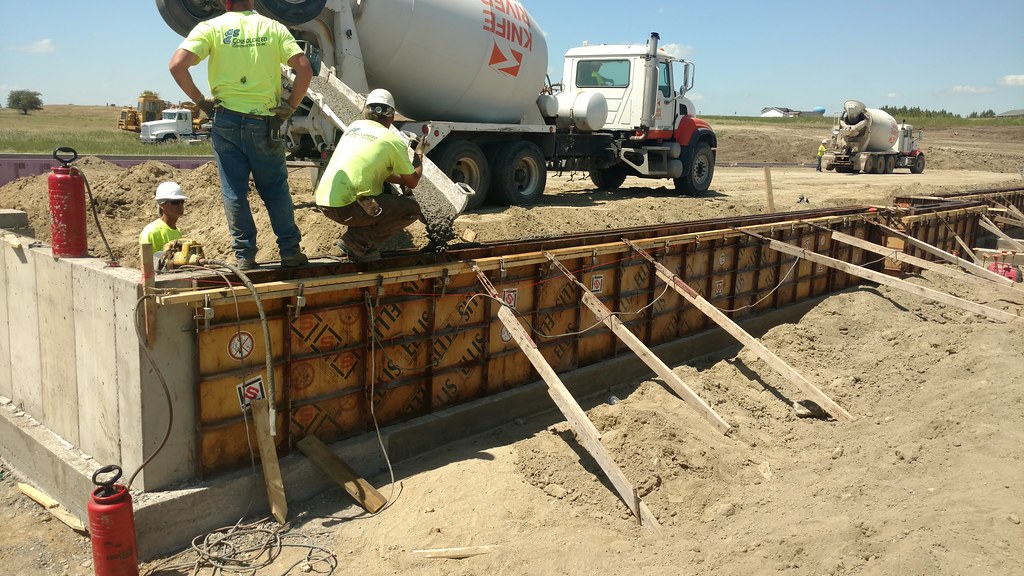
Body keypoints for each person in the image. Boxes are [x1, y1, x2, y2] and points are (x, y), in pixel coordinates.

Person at [168, 0, 312, 269]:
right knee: (276, 190)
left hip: (226, 120)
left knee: (234, 191)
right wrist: (290, 106)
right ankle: (290, 251)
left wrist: (200, 101)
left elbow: (177, 65)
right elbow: (305, 68)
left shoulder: (210, 28)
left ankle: (245, 256)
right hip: (264, 121)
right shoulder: (272, 27)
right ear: (253, 1)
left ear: (225, 2)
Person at [314, 89, 427, 263]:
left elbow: (378, 172)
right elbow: (412, 182)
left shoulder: (354, 127)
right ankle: (355, 242)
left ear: (366, 111)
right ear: (391, 117)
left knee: (370, 195)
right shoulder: (392, 140)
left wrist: (399, 179)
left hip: (324, 201)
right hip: (347, 207)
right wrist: (419, 154)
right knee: (412, 210)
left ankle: (357, 241)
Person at [140, 181, 186, 252]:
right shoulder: (151, 232)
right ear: (162, 205)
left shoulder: (178, 232)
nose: (180, 205)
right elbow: (146, 263)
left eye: (182, 201)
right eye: (175, 202)